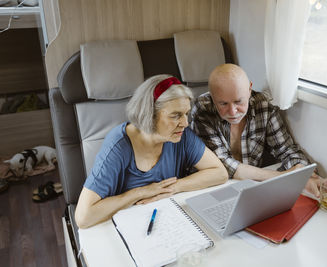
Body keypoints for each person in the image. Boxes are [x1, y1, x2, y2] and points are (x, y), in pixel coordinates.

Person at [75, 75, 228, 228]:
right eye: (175, 116)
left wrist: (172, 187)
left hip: (169, 220)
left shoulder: (181, 135)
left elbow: (220, 173)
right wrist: (139, 193)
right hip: (130, 225)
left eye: (186, 114)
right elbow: (83, 217)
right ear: (149, 114)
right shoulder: (118, 147)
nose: (185, 123)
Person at [190, 63, 327, 199]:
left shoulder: (263, 105)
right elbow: (224, 165)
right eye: (223, 103)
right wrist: (285, 177)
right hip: (212, 188)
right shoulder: (203, 109)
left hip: (253, 187)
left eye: (239, 101)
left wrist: (305, 176)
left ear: (249, 90)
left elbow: (287, 149)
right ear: (212, 97)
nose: (232, 111)